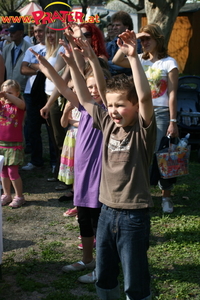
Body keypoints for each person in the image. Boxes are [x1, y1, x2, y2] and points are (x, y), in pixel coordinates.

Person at [30, 28, 155, 299]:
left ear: (135, 107)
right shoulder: (107, 123)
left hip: (134, 214)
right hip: (107, 211)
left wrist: (133, 59)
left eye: (121, 105)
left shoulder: (142, 132)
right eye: (110, 106)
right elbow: (86, 98)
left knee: (134, 279)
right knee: (105, 276)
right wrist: (74, 60)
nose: (113, 111)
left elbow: (143, 97)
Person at [29, 28, 110, 283]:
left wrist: (89, 60)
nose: (94, 90)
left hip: (101, 176)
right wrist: (46, 67)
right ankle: (87, 259)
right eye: (89, 87)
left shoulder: (106, 112)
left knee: (101, 225)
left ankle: (104, 266)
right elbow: (64, 86)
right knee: (84, 220)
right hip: (82, 174)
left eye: (98, 87)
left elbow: (98, 84)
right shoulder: (83, 108)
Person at [113, 23, 179, 213]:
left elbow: (173, 93)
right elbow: (118, 60)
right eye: (141, 40)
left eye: (147, 38)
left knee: (162, 155)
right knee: (141, 153)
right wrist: (127, 40)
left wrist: (173, 121)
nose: (144, 43)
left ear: (158, 39)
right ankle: (145, 194)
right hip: (139, 112)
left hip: (161, 113)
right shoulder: (139, 59)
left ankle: (166, 196)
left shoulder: (169, 63)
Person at [0, 80, 26, 208]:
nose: (5, 96)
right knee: (3, 172)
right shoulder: (1, 105)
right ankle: (6, 194)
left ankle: (19, 196)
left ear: (17, 93)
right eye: (4, 92)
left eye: (10, 93)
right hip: (1, 144)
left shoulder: (18, 106)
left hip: (14, 144)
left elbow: (21, 104)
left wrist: (6, 95)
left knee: (12, 172)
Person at [2, 23, 31, 93]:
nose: (11, 34)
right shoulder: (6, 48)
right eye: (10, 32)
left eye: (14, 32)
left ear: (21, 33)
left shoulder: (30, 49)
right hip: (8, 89)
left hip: (23, 89)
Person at [106, 11, 133, 76]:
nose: (114, 28)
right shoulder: (110, 44)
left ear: (126, 26)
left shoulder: (135, 43)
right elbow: (103, 64)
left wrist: (108, 64)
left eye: (117, 25)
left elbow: (128, 65)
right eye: (113, 25)